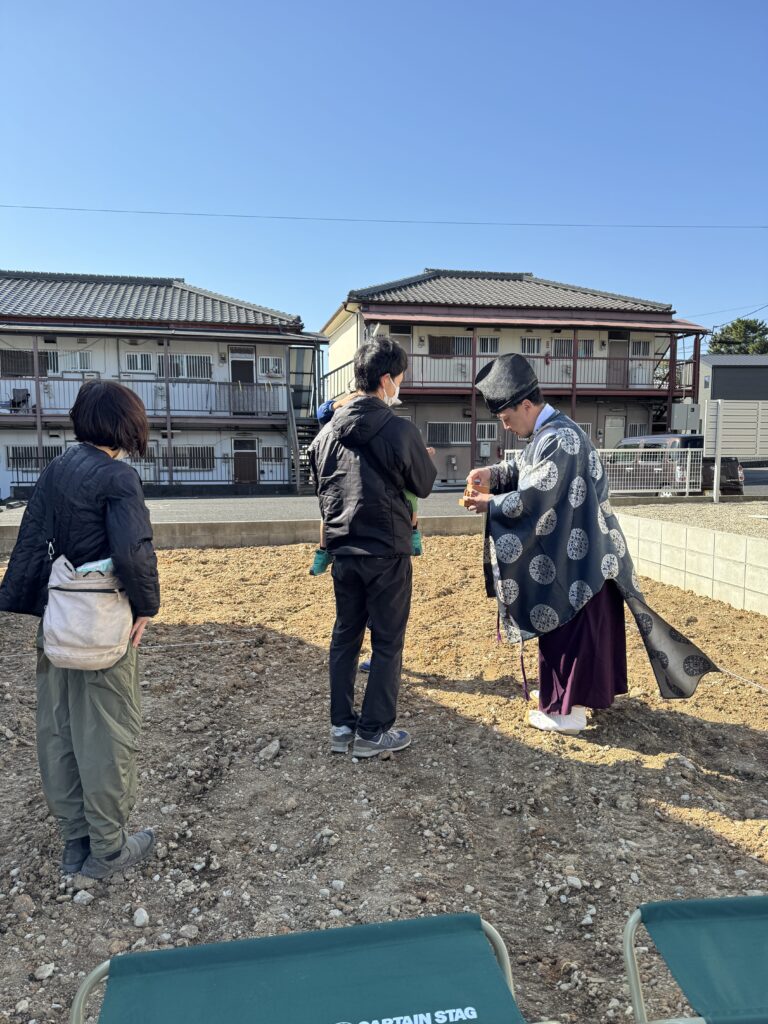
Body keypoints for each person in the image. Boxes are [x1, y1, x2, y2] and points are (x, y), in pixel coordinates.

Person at [463, 353, 717, 735]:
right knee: (570, 634)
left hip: (581, 563)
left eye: (507, 418)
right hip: (579, 555)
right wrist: (493, 474)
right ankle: (564, 698)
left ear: (526, 405)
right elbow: (527, 469)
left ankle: (568, 712)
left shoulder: (560, 438)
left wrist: (491, 503)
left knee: (570, 634)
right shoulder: (550, 433)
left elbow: (537, 495)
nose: (507, 426)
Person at [0, 380, 160, 877]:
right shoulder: (118, 477)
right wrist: (147, 606)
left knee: (59, 729)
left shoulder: (57, 468)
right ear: (127, 424)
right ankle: (109, 849)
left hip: (58, 620)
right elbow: (133, 552)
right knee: (107, 732)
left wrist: (35, 603)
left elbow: (31, 542)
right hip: (101, 626)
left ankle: (75, 842)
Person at [309, 337, 437, 757]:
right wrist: (422, 459)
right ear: (386, 380)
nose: (401, 385)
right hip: (386, 551)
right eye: (400, 378)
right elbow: (424, 484)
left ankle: (341, 727)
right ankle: (373, 731)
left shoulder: (325, 435)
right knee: (386, 642)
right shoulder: (400, 430)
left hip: (343, 552)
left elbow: (322, 488)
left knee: (345, 637)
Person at [310, 392, 434, 574]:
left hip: (343, 539)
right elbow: (423, 485)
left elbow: (322, 413)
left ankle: (323, 551)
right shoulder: (394, 428)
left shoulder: (327, 434)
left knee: (327, 509)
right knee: (410, 496)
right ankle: (414, 533)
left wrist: (337, 405)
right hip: (386, 543)